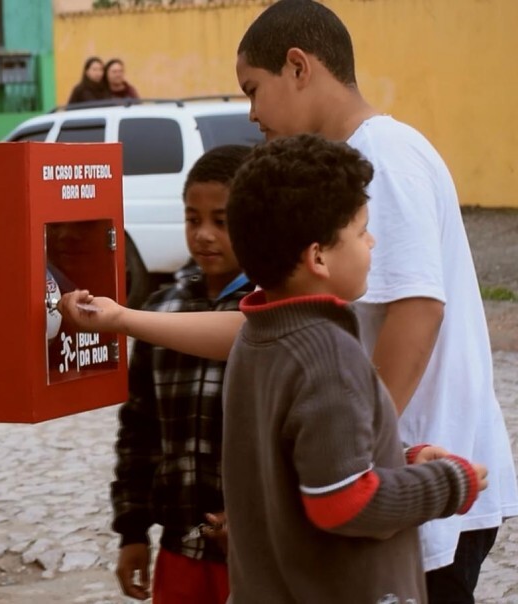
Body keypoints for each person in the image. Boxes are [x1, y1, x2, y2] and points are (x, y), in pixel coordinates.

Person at [62, 2, 518, 600]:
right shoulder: (329, 184)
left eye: (253, 90)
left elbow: (418, 309)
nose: (251, 113)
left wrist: (369, 454)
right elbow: (264, 330)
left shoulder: (384, 154)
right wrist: (123, 319)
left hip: (411, 484)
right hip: (372, 488)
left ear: (298, 67)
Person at [225, 133, 486, 602]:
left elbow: (312, 467)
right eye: (360, 229)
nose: (372, 240)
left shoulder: (256, 337)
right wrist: (447, 484)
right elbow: (342, 503)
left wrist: (399, 460)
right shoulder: (329, 354)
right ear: (318, 256)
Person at [112, 145, 253, 603]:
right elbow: (138, 430)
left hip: (255, 554)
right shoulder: (161, 313)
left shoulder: (271, 314)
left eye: (222, 220)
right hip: (180, 550)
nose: (204, 235)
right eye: (193, 219)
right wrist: (132, 531)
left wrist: (257, 516)